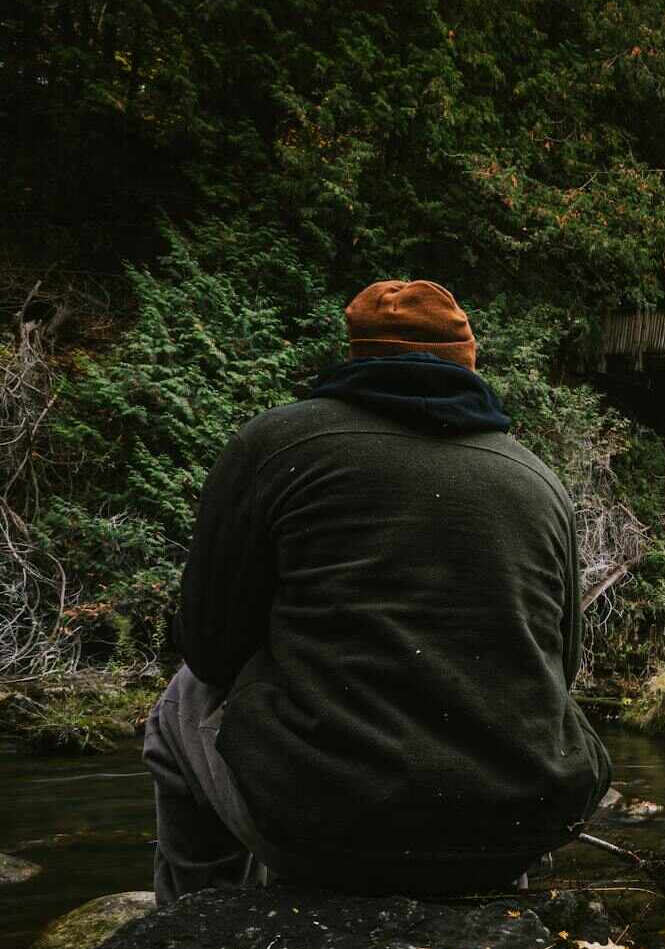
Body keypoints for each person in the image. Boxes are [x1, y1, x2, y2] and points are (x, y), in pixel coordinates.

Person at [144, 280, 611, 903]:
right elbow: (562, 669)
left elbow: (210, 647)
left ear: (358, 353)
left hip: (327, 832)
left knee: (184, 697)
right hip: (517, 827)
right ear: (468, 360)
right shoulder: (535, 476)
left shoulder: (274, 445)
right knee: (518, 705)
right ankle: (497, 899)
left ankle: (202, 923)